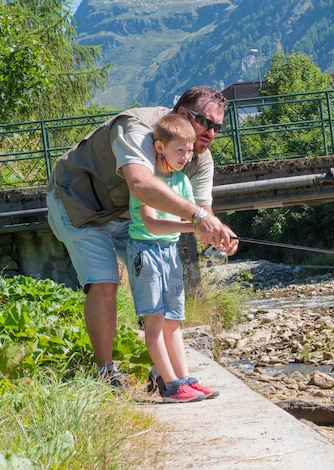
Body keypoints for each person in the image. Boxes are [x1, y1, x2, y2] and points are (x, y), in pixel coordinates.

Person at [46, 86, 239, 386]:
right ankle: (105, 373)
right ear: (184, 114)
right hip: (77, 202)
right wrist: (198, 219)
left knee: (160, 285)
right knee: (105, 282)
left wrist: (219, 235)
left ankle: (162, 375)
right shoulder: (136, 127)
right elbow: (140, 184)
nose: (212, 133)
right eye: (207, 123)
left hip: (130, 215)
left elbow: (204, 212)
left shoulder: (199, 157)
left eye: (218, 127)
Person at [127, 114, 217, 402]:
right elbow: (152, 225)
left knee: (173, 321)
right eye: (179, 150)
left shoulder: (181, 182)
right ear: (159, 147)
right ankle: (170, 386)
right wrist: (194, 225)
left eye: (189, 151)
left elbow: (195, 218)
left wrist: (215, 233)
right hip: (146, 251)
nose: (186, 157)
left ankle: (185, 379)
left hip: (170, 252)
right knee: (154, 323)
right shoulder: (145, 183)